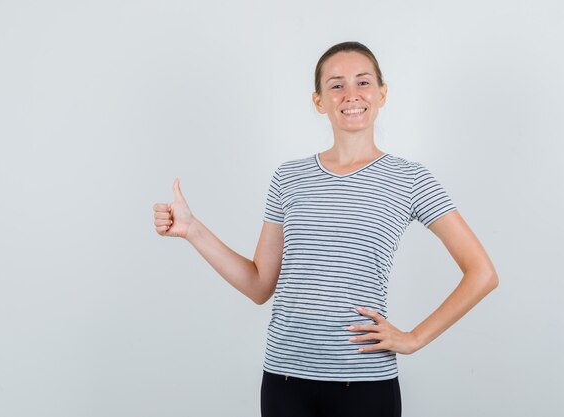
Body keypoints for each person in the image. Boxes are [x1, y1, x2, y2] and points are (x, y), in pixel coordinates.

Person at [152, 41, 499, 417]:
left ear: (382, 93)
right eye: (336, 85)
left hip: (364, 382)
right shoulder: (289, 177)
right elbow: (258, 285)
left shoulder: (410, 179)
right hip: (285, 380)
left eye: (363, 82)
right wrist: (192, 230)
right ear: (319, 101)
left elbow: (482, 273)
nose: (351, 94)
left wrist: (414, 338)